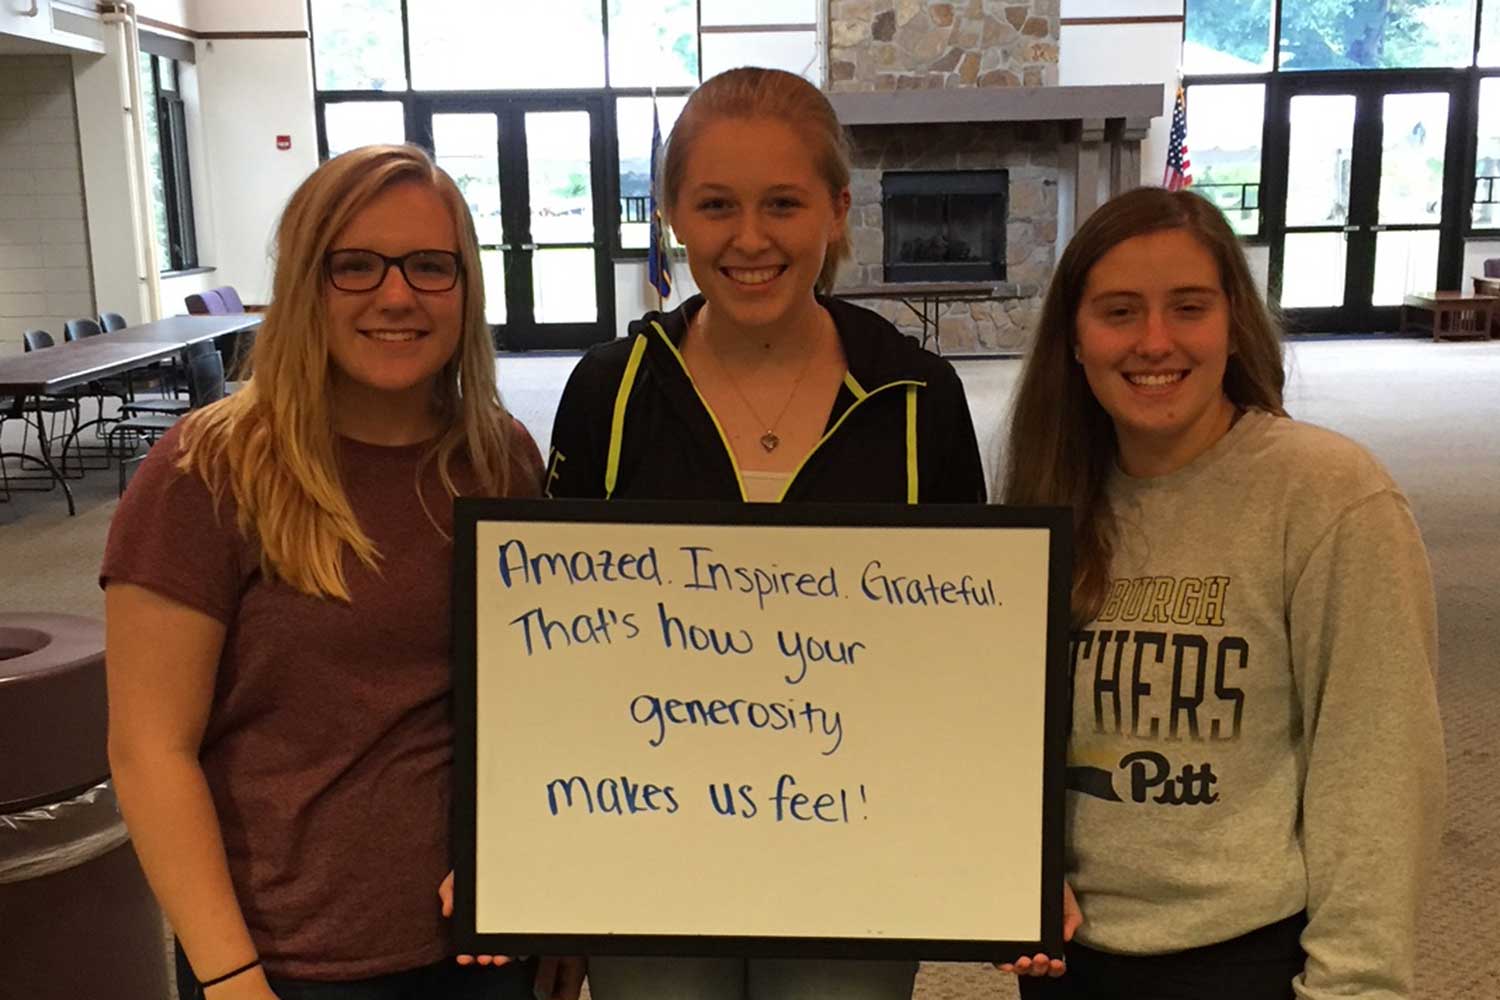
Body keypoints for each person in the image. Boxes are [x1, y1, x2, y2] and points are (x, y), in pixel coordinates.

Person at [544, 67, 986, 998]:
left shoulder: (918, 400)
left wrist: (988, 856)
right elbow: (550, 657)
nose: (750, 239)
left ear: (834, 209)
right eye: (716, 205)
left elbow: (973, 655)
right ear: (673, 214)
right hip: (645, 849)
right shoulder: (610, 393)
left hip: (860, 848)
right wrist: (533, 862)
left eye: (782, 203)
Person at [102, 144, 556, 1000]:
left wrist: (541, 889)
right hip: (289, 964)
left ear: (466, 287)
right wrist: (232, 977)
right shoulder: (207, 472)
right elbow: (148, 751)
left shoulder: (500, 458)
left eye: (430, 266)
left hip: (481, 944)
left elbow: (528, 703)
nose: (397, 295)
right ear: (308, 282)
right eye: (356, 266)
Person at [999, 186, 1445, 999]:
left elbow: (1378, 772)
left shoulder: (1329, 495)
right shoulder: (1043, 497)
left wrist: (1358, 984)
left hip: (1250, 957)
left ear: (1231, 322)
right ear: (1075, 337)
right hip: (1071, 959)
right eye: (1120, 311)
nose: (1155, 341)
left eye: (1188, 307)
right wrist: (1008, 872)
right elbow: (996, 731)